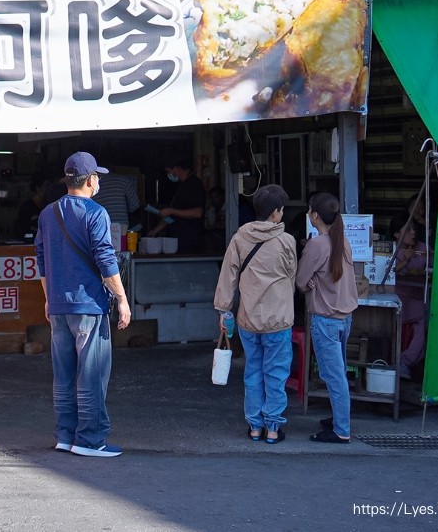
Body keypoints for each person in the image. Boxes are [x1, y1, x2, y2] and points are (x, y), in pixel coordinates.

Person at [35, 151, 132, 458]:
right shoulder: (96, 213)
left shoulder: (48, 213)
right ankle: (90, 440)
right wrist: (122, 299)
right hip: (88, 305)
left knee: (63, 374)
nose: (98, 182)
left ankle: (65, 435)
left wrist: (49, 299)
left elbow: (40, 262)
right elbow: (106, 259)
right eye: (97, 177)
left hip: (59, 306)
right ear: (91, 180)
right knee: (91, 374)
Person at [213, 185, 297, 444]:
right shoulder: (286, 241)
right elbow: (291, 276)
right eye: (281, 209)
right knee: (276, 373)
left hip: (247, 318)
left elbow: (228, 276)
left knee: (253, 372)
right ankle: (273, 428)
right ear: (275, 213)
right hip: (279, 319)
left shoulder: (240, 238)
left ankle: (254, 427)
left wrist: (224, 309)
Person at [296, 193, 358, 444]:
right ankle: (338, 419)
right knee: (338, 372)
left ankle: (341, 429)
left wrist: (310, 283)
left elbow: (300, 281)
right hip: (345, 316)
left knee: (333, 375)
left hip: (325, 318)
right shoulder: (343, 241)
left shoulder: (316, 245)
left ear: (315, 216)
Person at [390, 216, 430, 379]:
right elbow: (387, 272)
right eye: (407, 230)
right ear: (396, 235)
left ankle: (405, 362)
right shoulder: (392, 250)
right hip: (400, 296)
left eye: (413, 229)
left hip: (420, 295)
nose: (413, 233)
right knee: (426, 317)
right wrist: (405, 259)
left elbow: (433, 266)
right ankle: (403, 362)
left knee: (427, 323)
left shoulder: (422, 248)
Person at [149, 155, 205, 253]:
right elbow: (171, 216)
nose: (168, 175)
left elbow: (197, 213)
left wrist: (172, 211)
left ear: (176, 169)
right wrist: (155, 230)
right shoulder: (180, 186)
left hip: (190, 240)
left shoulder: (194, 184)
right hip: (177, 240)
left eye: (168, 171)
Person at [15, 175, 52, 240]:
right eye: (46, 186)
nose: (48, 189)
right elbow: (22, 231)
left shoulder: (50, 207)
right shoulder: (26, 208)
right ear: (38, 188)